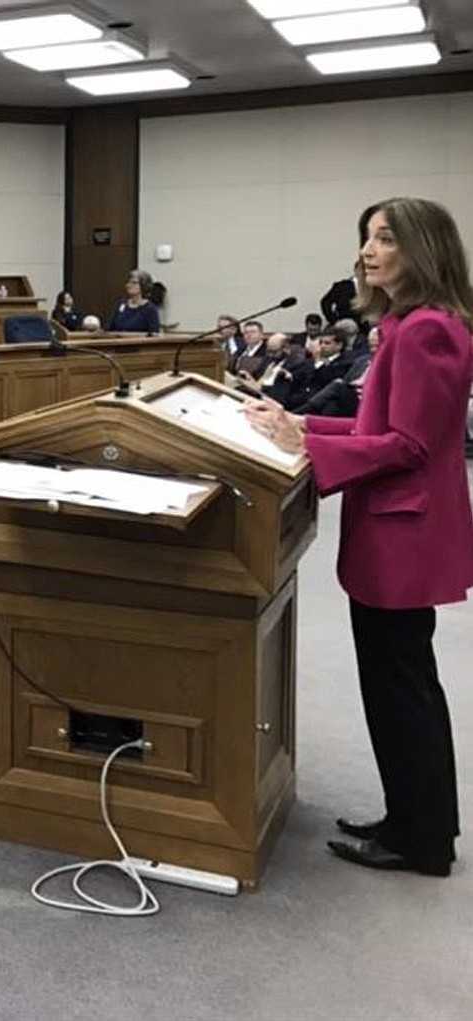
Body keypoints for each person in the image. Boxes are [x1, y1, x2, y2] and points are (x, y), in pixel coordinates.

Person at [245, 197, 473, 877]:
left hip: (405, 532)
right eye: (366, 239)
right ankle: (413, 816)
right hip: (397, 528)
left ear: (422, 250)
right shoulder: (410, 324)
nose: (368, 252)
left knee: (401, 684)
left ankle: (422, 838)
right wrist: (301, 426)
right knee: (399, 681)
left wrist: (312, 452)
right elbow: (380, 425)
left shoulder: (429, 330)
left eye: (384, 239)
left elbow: (406, 444)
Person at [238, 332, 313, 409]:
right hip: (258, 396)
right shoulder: (269, 358)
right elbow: (258, 378)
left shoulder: (297, 363)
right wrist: (249, 377)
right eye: (268, 351)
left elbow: (284, 391)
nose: (270, 355)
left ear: (286, 348)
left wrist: (260, 388)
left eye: (274, 352)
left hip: (275, 401)